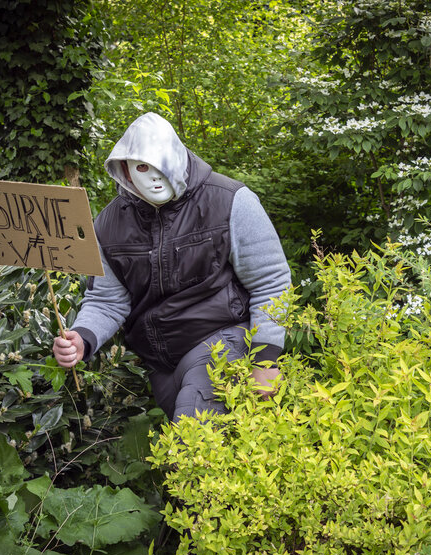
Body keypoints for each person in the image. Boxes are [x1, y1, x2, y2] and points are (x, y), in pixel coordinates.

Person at [52, 112, 291, 422]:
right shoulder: (108, 224)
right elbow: (107, 300)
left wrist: (265, 362)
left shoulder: (231, 201)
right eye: (141, 167)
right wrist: (82, 339)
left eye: (160, 164)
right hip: (161, 364)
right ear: (123, 167)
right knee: (209, 455)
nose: (153, 176)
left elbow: (271, 282)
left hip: (221, 340)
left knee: (190, 449)